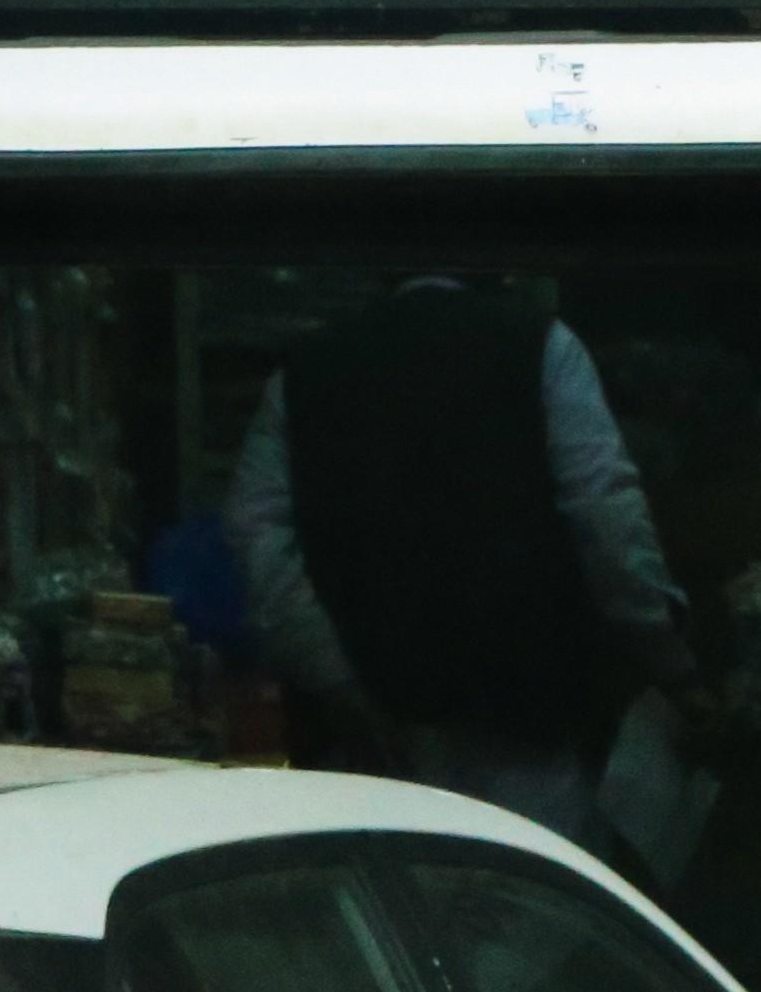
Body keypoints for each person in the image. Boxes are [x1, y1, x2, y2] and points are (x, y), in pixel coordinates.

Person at [222, 276, 694, 849]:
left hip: (373, 729)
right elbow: (603, 513)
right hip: (524, 712)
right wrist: (661, 650)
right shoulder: (539, 345)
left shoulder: (305, 369)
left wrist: (334, 677)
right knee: (523, 889)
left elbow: (255, 529)